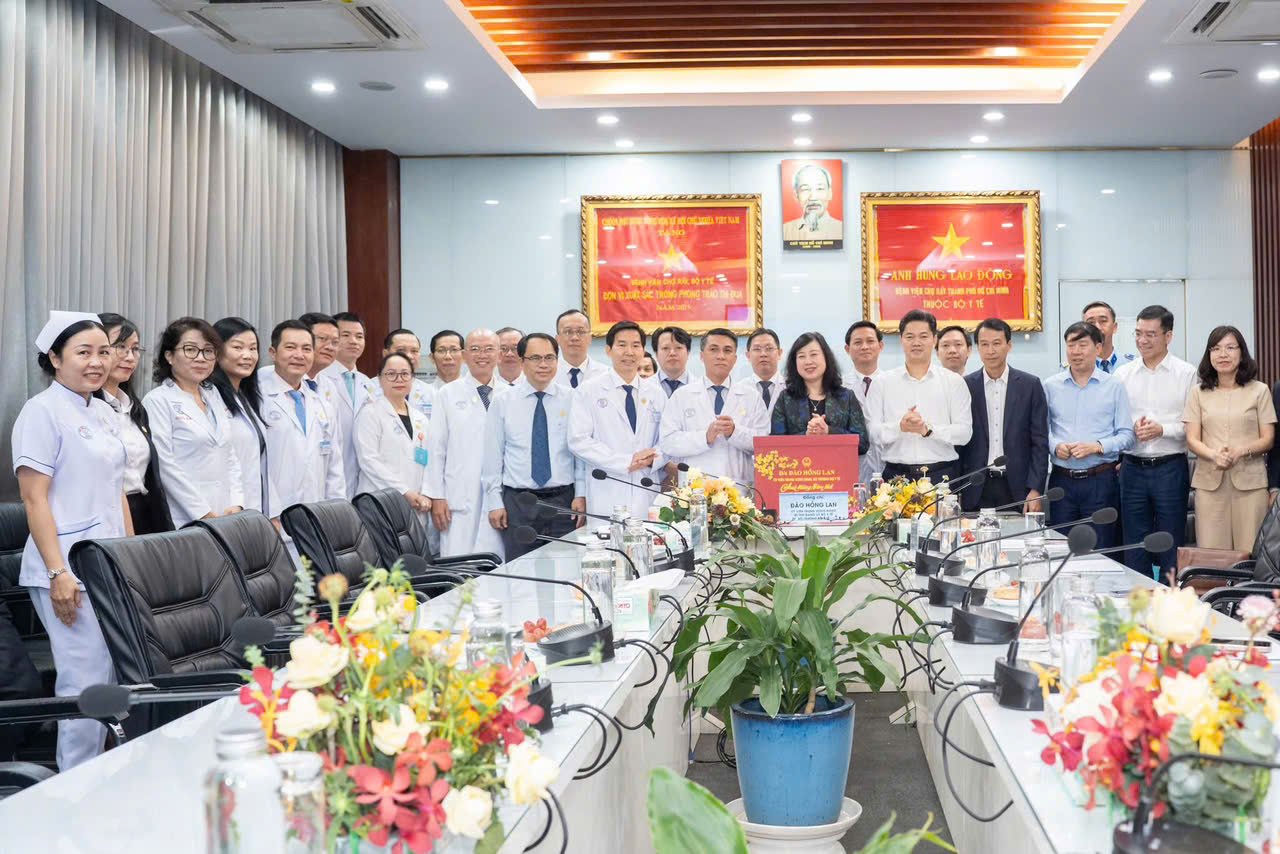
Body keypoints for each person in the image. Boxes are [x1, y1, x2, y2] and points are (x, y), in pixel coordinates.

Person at [13, 312, 133, 769]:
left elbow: (117, 490)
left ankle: (108, 775)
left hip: (107, 563)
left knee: (116, 678)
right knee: (84, 680)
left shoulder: (102, 410)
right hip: (65, 568)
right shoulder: (41, 412)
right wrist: (58, 571)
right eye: (84, 352)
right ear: (55, 358)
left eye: (104, 351)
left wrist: (131, 558)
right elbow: (34, 498)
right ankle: (75, 783)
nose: (97, 362)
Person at [483, 333, 587, 559]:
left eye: (549, 358)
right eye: (535, 358)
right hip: (519, 503)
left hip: (564, 502)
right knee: (521, 570)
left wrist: (581, 494)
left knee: (567, 569)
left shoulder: (572, 399)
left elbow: (579, 453)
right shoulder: (503, 401)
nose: (543, 364)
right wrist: (494, 502)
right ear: (522, 361)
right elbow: (493, 455)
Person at [1113, 305, 1197, 577]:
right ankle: (1137, 595)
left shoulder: (1186, 373)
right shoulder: (1122, 375)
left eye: (1150, 334)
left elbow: (1193, 426)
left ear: (1168, 336)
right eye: (1138, 333)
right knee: (1134, 542)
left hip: (1170, 467)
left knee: (1171, 539)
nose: (1142, 340)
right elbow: (1114, 422)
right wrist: (1130, 429)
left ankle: (1171, 597)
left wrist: (1163, 430)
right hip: (1132, 467)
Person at [142, 318, 244, 528]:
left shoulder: (212, 394)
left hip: (225, 512)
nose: (200, 358)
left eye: (208, 351)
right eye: (190, 350)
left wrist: (237, 503)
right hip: (186, 517)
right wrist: (203, 512)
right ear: (169, 356)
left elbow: (230, 455)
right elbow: (165, 465)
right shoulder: (157, 400)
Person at [1184, 326, 1276, 553]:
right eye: (1216, 349)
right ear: (1209, 355)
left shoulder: (1260, 390)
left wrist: (1241, 450)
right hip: (1209, 484)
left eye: (1230, 348)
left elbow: (1268, 439)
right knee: (1212, 554)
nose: (1222, 354)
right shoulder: (1197, 393)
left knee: (1250, 552)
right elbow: (1192, 439)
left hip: (1251, 484)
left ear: (1242, 353)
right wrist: (1213, 455)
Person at [1043, 321, 1134, 548]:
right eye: (1071, 345)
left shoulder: (1114, 386)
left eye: (1082, 345)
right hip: (1062, 480)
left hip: (1101, 481)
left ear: (1098, 348)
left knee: (1101, 549)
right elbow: (1042, 431)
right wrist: (1055, 446)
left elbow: (1127, 435)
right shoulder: (1050, 385)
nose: (1076, 352)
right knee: (1061, 548)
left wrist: (1097, 446)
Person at [568, 321, 666, 518]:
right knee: (608, 536)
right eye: (622, 345)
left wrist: (653, 459)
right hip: (607, 488)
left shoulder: (657, 394)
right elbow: (578, 440)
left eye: (636, 345)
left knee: (651, 534)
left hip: (647, 487)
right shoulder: (588, 391)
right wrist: (625, 461)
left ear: (643, 351)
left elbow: (667, 439)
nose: (629, 352)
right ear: (608, 350)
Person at [864, 310, 972, 484]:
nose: (916, 342)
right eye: (910, 337)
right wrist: (900, 427)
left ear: (934, 340)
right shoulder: (882, 383)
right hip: (896, 476)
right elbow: (871, 431)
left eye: (923, 336)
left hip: (941, 476)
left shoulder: (954, 382)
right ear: (901, 340)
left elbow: (964, 432)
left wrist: (928, 430)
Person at [424, 329, 505, 559]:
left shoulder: (510, 394)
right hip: (458, 497)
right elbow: (436, 449)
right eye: (475, 349)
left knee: (499, 565)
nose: (482, 355)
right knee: (460, 564)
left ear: (499, 355)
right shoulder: (447, 394)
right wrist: (437, 497)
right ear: (465, 355)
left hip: (499, 497)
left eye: (489, 349)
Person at [958, 318, 1048, 513]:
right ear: (977, 348)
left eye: (997, 343)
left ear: (1009, 345)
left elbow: (1040, 442)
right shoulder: (966, 386)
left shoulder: (1030, 385)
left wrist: (1035, 488)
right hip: (975, 487)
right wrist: (957, 490)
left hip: (1018, 487)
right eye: (984, 344)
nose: (990, 351)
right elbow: (959, 443)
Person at [258, 320, 346, 516]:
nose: (299, 355)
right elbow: (254, 466)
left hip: (317, 514)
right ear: (273, 353)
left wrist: (338, 511)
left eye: (306, 349)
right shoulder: (258, 398)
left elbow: (334, 467)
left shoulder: (321, 404)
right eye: (290, 347)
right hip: (272, 514)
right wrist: (270, 513)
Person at [661, 328, 769, 484]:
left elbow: (764, 443)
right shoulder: (681, 396)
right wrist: (704, 437)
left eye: (727, 350)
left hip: (740, 488)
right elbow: (668, 442)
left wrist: (735, 432)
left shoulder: (751, 397)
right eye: (713, 349)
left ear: (735, 358)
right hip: (695, 489)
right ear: (701, 356)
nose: (721, 356)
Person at [97, 313, 173, 534]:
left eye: (135, 349)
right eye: (121, 347)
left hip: (144, 511)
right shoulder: (87, 408)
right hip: (106, 515)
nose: (130, 357)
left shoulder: (135, 409)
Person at [353, 353, 432, 521]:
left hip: (415, 503)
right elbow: (369, 460)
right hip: (379, 502)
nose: (399, 379)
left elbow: (428, 461)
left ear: (412, 378)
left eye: (404, 374)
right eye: (391, 374)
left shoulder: (421, 419)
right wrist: (404, 491)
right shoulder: (370, 414)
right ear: (380, 379)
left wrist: (424, 493)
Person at [211, 317, 274, 516]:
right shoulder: (209, 397)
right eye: (237, 347)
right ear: (216, 351)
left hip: (251, 508)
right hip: (224, 509)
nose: (247, 355)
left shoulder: (247, 397)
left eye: (253, 348)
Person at [771, 330, 869, 448]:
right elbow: (775, 445)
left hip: (837, 460)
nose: (808, 361)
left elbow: (862, 444)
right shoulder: (785, 398)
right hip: (798, 460)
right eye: (801, 356)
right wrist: (806, 435)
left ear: (826, 357)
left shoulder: (846, 397)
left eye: (814, 354)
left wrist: (829, 431)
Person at [322, 311, 375, 497]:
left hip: (361, 478)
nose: (354, 341)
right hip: (327, 474)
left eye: (359, 336)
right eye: (345, 335)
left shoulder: (369, 384)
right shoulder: (319, 379)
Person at [842, 320, 886, 483]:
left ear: (880, 346)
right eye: (858, 342)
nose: (865, 347)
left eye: (870, 341)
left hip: (888, 466)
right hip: (851, 467)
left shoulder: (893, 383)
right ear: (847, 349)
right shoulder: (838, 387)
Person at [383, 328, 435, 420]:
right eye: (401, 350)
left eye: (414, 351)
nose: (409, 356)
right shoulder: (370, 389)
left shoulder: (430, 393)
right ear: (386, 354)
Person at [782, 163, 842, 241]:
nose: (813, 197)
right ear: (796, 196)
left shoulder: (841, 229)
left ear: (830, 194)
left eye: (820, 188)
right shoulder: (785, 230)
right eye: (805, 189)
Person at [736, 328, 783, 418]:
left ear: (779, 353)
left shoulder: (791, 388)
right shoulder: (738, 390)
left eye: (769, 348)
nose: (763, 354)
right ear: (748, 356)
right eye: (757, 349)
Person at [554, 309, 605, 390]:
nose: (574, 338)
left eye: (581, 332)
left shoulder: (606, 374)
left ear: (590, 338)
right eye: (568, 332)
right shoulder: (545, 373)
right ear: (557, 339)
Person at [1082, 301, 1134, 374]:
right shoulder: (1075, 369)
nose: (1097, 327)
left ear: (1114, 327)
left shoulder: (1132, 365)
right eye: (1091, 322)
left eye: (1103, 321)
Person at [653, 326, 694, 396]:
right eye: (665, 348)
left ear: (688, 353)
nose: (672, 353)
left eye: (678, 347)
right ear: (656, 354)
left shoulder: (702, 388)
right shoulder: (643, 387)